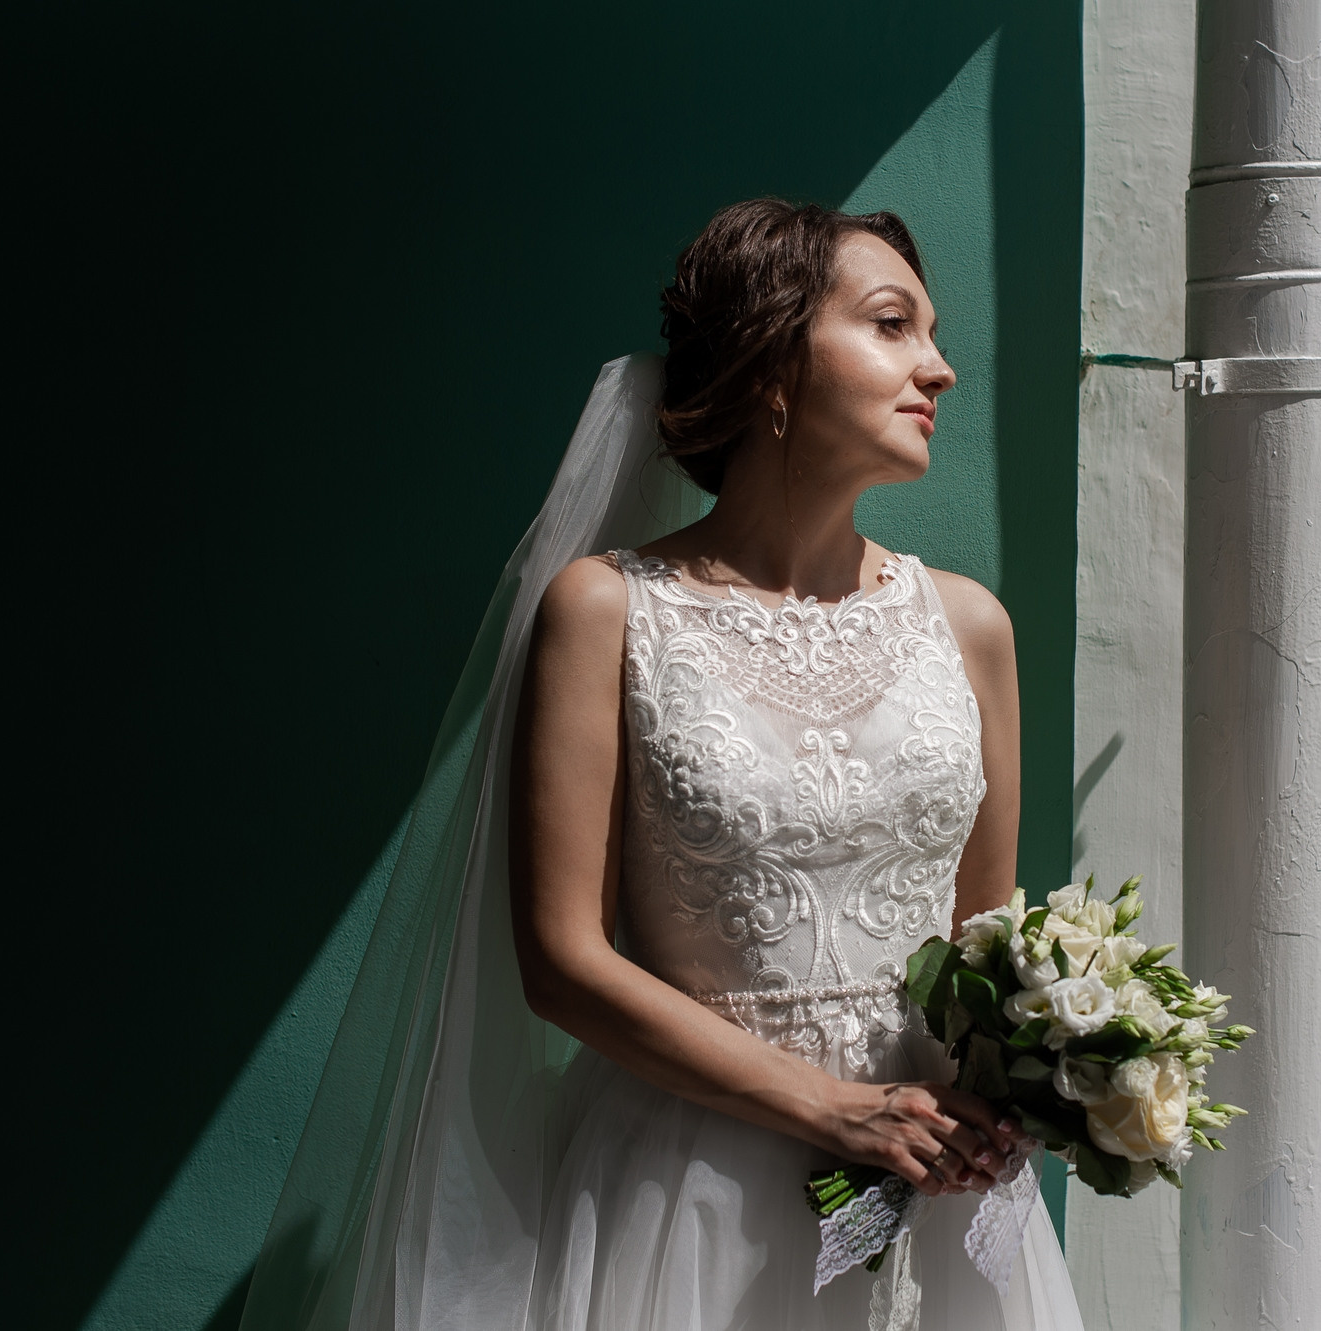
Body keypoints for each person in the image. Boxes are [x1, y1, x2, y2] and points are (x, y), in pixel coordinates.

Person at [237, 200, 1084, 1331]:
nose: (935, 367)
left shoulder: (969, 624)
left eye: (930, 334)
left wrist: (1029, 1080)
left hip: (925, 1175)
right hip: (693, 1188)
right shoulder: (608, 610)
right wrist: (836, 1110)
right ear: (771, 363)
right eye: (891, 326)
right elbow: (561, 960)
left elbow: (988, 937)